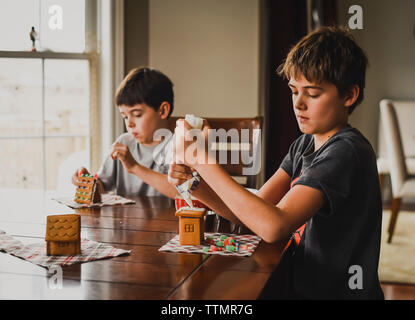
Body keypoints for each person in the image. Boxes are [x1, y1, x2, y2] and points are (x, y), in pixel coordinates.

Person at [168, 27, 384, 299]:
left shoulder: (346, 151)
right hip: (300, 286)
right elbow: (252, 215)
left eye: (313, 94)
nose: (299, 104)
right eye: (294, 91)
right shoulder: (305, 144)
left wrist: (201, 159)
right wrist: (195, 183)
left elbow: (273, 226)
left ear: (349, 96)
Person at [72, 67, 177, 198]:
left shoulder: (179, 148)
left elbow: (182, 193)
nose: (129, 124)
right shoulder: (124, 142)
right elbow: (102, 187)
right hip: (125, 218)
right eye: (125, 117)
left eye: (137, 115)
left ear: (163, 111)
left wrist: (134, 167)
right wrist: (88, 182)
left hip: (167, 218)